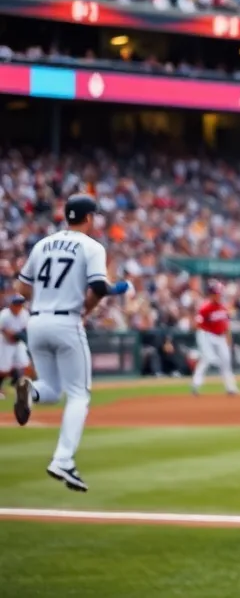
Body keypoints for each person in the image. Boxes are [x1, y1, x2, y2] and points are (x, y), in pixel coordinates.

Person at [13, 194, 133, 493]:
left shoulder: (42, 244)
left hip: (37, 321)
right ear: (89, 218)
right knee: (79, 395)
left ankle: (31, 390)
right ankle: (63, 460)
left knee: (52, 389)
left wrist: (47, 299)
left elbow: (20, 288)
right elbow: (98, 288)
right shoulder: (92, 246)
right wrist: (86, 308)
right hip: (66, 322)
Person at [190, 280, 239, 396]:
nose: (219, 295)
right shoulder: (205, 308)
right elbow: (196, 325)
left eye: (220, 293)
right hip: (208, 335)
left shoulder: (223, 307)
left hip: (221, 337)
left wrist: (228, 338)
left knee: (226, 362)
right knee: (206, 360)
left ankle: (231, 388)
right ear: (211, 294)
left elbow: (226, 325)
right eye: (217, 293)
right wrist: (203, 339)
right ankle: (195, 385)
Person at [0, 295, 31, 397]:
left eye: (20, 304)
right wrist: (12, 334)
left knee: (23, 364)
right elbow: (3, 330)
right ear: (11, 304)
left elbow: (25, 328)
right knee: (3, 370)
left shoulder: (24, 314)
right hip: (5, 342)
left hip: (18, 343)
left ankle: (17, 386)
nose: (18, 306)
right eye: (16, 304)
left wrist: (20, 335)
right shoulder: (5, 314)